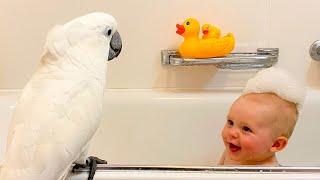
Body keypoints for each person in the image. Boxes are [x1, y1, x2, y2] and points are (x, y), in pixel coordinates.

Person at [218, 67, 306, 166]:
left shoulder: (269, 172)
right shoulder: (230, 153)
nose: (232, 132)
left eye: (246, 129)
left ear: (276, 144)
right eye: (230, 122)